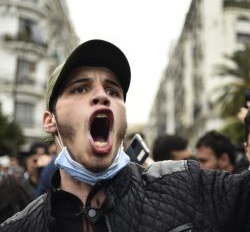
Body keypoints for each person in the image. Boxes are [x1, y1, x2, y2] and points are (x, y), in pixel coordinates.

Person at [2, 39, 250, 232]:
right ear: (49, 121)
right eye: (80, 88)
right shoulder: (19, 227)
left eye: (113, 90)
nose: (102, 96)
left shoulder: (189, 186)